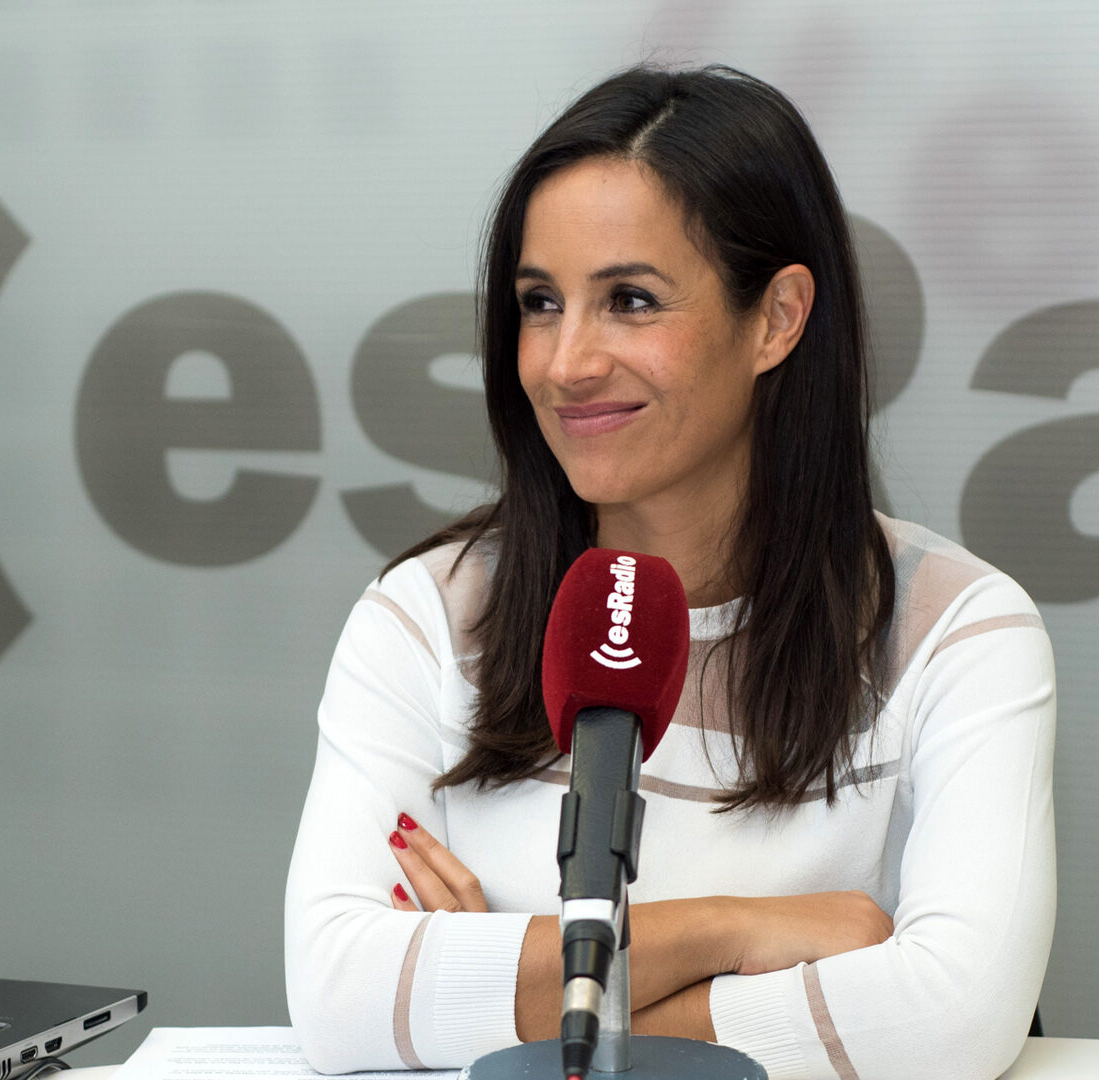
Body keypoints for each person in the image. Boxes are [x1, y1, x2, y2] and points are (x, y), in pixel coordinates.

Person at [284, 64, 1055, 1080]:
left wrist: (516, 985)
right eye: (540, 303)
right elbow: (339, 997)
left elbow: (950, 1020)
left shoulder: (957, 632)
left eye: (631, 301)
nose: (565, 363)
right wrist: (740, 929)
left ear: (776, 318)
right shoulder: (427, 615)